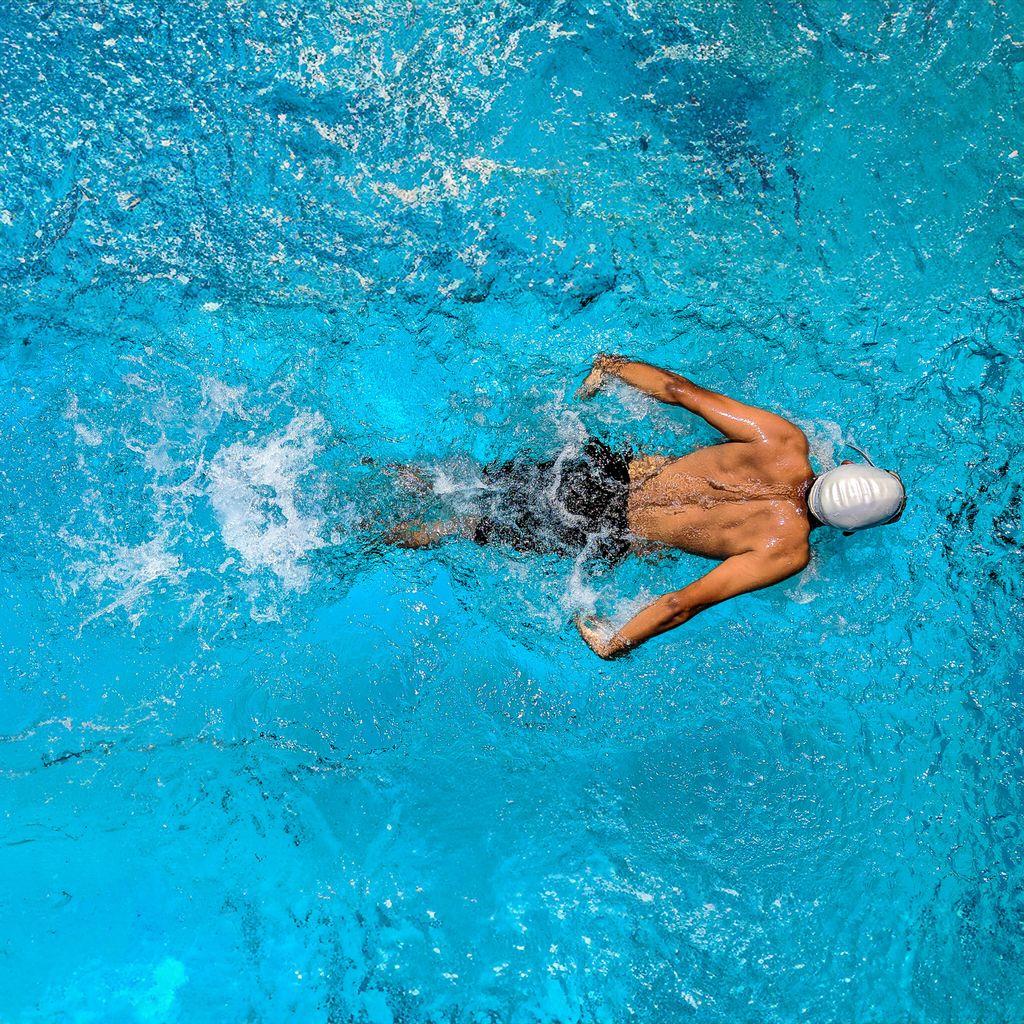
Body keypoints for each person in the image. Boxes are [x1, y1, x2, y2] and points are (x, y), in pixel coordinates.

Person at [391, 356, 906, 659]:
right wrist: (616, 642)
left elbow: (681, 392)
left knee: (462, 482)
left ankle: (388, 473)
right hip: (602, 530)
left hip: (597, 472)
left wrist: (611, 368)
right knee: (460, 528)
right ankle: (372, 535)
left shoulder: (783, 441)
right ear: (849, 529)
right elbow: (683, 602)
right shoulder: (786, 551)